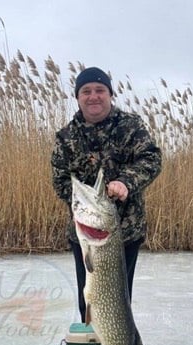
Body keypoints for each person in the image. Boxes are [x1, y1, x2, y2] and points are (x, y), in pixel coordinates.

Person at [51, 66, 162, 323]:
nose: (93, 96)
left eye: (100, 90)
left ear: (110, 94)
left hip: (126, 231)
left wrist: (126, 182)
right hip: (86, 234)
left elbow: (151, 159)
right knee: (89, 299)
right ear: (78, 97)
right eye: (86, 91)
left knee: (119, 302)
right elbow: (60, 182)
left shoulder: (130, 126)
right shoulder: (66, 137)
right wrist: (86, 201)